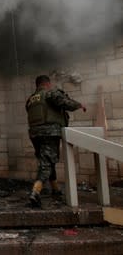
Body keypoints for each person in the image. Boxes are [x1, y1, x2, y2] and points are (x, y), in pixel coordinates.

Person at [26, 75, 86, 208]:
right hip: (50, 132)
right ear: (47, 84)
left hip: (35, 134)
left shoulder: (31, 99)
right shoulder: (50, 93)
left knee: (47, 160)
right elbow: (64, 103)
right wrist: (79, 105)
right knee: (46, 163)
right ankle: (35, 192)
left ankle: (55, 189)